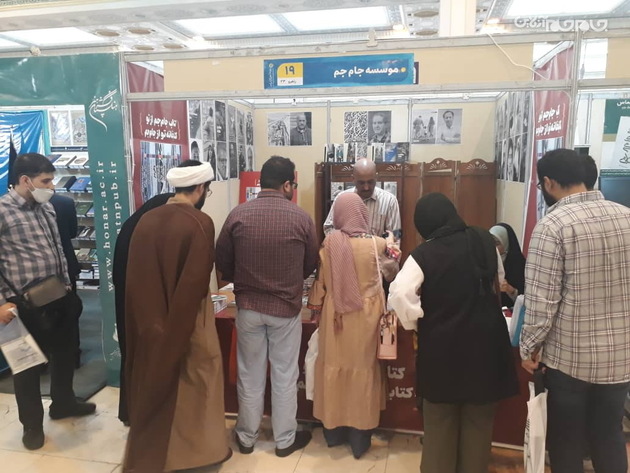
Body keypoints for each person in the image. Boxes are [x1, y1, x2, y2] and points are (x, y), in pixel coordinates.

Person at [388, 193, 518, 473]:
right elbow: (498, 278)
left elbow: (399, 294)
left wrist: (415, 323)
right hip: (485, 349)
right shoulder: (484, 240)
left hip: (443, 351)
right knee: (479, 424)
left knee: (440, 423)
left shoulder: (424, 255)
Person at [520, 148, 630, 473]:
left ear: (549, 183)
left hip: (570, 360)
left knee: (566, 439)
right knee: (609, 435)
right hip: (621, 358)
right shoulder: (626, 217)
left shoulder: (552, 227)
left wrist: (528, 348)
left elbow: (542, 302)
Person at [123, 160, 231, 472]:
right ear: (201, 188)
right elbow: (194, 284)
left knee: (158, 383)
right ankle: (197, 454)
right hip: (188, 320)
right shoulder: (199, 222)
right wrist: (178, 334)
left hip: (149, 320)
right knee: (199, 381)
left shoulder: (146, 219)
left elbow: (136, 277)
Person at [216, 156, 318, 458]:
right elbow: (311, 262)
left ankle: (246, 437)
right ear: (286, 185)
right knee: (285, 376)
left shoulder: (238, 214)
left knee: (250, 374)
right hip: (285, 310)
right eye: (293, 185)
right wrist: (291, 280)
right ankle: (284, 441)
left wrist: (241, 280)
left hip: (248, 307)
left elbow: (222, 259)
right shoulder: (301, 218)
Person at [0, 153, 95, 451]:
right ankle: (32, 426)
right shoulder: (2, 212)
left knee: (64, 354)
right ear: (25, 180)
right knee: (27, 365)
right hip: (22, 303)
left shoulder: (47, 208)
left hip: (59, 295)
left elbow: (58, 249)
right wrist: (1, 303)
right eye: (45, 180)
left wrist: (68, 288)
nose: (51, 186)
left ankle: (63, 403)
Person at [307, 192, 399, 459]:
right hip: (367, 319)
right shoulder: (377, 244)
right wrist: (391, 244)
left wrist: (314, 308)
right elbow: (393, 270)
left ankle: (333, 433)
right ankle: (360, 438)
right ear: (362, 214)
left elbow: (321, 285)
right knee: (363, 372)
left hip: (336, 317)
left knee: (333, 368)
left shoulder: (330, 244)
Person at [112, 192, 174, 425]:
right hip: (142, 306)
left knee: (132, 357)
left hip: (127, 303)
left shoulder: (132, 227)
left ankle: (130, 412)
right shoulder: (146, 233)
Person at [323, 159, 401, 239]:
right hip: (346, 246)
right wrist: (344, 242)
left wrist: (377, 243)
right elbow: (328, 228)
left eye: (370, 182)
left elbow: (395, 234)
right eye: (361, 183)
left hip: (378, 247)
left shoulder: (389, 200)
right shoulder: (342, 199)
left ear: (376, 177)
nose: (366, 187)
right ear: (353, 179)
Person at [50, 193, 83, 367]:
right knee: (69, 313)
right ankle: (73, 356)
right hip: (66, 265)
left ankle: (44, 358)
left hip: (38, 273)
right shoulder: (65, 202)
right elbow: (72, 232)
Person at [489, 223, 525, 308]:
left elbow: (526, 300)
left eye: (497, 243)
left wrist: (510, 290)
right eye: (490, 242)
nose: (492, 247)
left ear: (506, 243)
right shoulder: (485, 259)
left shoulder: (520, 265)